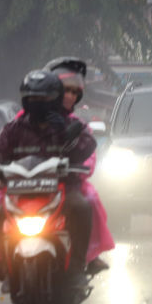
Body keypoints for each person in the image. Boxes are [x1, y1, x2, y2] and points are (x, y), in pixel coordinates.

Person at [0, 70, 95, 286]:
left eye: (43, 99)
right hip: (20, 190)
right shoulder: (14, 128)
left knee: (82, 207)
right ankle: (3, 263)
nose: (38, 104)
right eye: (33, 99)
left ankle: (78, 266)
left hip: (61, 188)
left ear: (54, 99)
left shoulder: (68, 124)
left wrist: (64, 132)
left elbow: (87, 145)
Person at [45, 56, 114, 273]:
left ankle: (85, 258)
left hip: (67, 185)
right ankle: (4, 262)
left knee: (88, 202)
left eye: (74, 92)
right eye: (65, 90)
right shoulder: (25, 120)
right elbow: (6, 145)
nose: (69, 96)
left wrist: (81, 169)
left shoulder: (79, 125)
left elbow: (89, 154)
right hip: (30, 185)